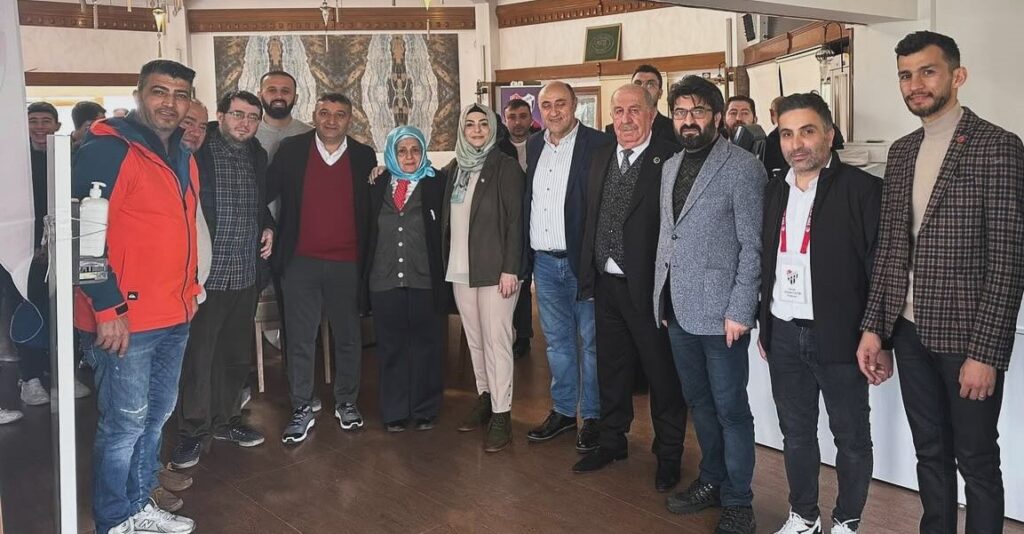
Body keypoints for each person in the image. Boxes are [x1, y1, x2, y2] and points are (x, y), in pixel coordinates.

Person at [857, 31, 1024, 534]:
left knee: (976, 459)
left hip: (967, 339)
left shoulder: (999, 146)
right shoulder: (902, 151)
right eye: (905, 75)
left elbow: (1009, 260)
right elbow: (891, 250)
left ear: (957, 75)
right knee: (929, 452)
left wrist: (986, 354)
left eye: (927, 72)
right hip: (909, 334)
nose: (915, 85)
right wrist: (875, 329)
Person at [74, 59, 200, 534]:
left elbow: (181, 230)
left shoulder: (181, 153)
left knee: (155, 419)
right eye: (159, 91)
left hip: (174, 313)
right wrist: (107, 308)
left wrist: (190, 290)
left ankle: (139, 503)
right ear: (138, 95)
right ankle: (113, 519)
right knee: (125, 423)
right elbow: (83, 237)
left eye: (180, 94)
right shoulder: (108, 149)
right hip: (125, 318)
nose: (170, 102)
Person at [758, 93, 881, 534]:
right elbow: (767, 261)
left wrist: (876, 333)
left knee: (851, 437)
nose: (796, 144)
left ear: (829, 134)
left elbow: (879, 268)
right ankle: (804, 516)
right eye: (787, 134)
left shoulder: (862, 190)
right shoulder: (774, 189)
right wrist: (766, 326)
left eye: (807, 131)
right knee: (796, 434)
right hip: (784, 332)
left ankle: (847, 520)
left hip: (841, 335)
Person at [654, 75, 764, 534]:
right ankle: (712, 480)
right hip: (678, 308)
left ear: (717, 117)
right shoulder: (670, 166)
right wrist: (661, 296)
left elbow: (753, 246)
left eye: (697, 111)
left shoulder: (743, 167)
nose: (688, 120)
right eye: (680, 112)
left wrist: (741, 309)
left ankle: (739, 500)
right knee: (698, 402)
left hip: (723, 316)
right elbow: (670, 235)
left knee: (731, 410)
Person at [573, 84, 686, 495]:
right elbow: (591, 217)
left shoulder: (670, 159)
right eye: (618, 111)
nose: (625, 119)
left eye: (634, 110)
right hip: (606, 284)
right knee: (612, 367)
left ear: (652, 114)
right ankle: (612, 441)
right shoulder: (601, 155)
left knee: (662, 375)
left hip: (650, 289)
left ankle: (669, 454)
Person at [170, 91, 274, 470]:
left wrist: (268, 225)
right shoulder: (198, 148)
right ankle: (192, 431)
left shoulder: (257, 154)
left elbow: (257, 203)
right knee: (199, 357)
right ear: (221, 115)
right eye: (237, 114)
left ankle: (227, 420)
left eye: (252, 117)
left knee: (234, 356)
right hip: (205, 275)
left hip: (245, 272)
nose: (245, 123)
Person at [267, 93, 377, 444]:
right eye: (324, 113)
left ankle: (347, 401)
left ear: (350, 120)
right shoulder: (291, 151)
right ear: (314, 115)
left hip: (347, 263)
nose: (331, 120)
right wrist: (267, 226)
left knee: (348, 337)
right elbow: (263, 192)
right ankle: (301, 406)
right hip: (300, 261)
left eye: (339, 114)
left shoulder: (363, 156)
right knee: (300, 338)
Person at [522, 82, 611, 453]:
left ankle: (592, 416)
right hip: (544, 263)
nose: (554, 111)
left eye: (561, 103)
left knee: (591, 344)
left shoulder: (599, 144)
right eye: (547, 105)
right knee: (557, 344)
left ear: (575, 106)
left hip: (582, 262)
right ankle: (562, 411)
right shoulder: (534, 145)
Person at [443, 103, 524, 453]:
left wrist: (511, 268)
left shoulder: (505, 167)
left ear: (493, 129)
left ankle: (502, 414)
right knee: (475, 339)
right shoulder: (456, 168)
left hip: (496, 271)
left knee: (497, 341)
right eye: (470, 124)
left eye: (483, 124)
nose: (476, 130)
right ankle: (486, 397)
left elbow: (516, 221)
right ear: (462, 130)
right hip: (461, 269)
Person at [367, 126, 449, 432]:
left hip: (425, 279)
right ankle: (395, 410)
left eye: (415, 150)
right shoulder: (377, 183)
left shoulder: (437, 182)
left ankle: (425, 408)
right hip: (384, 279)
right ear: (391, 154)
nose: (409, 157)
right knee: (391, 347)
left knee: (427, 346)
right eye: (401, 151)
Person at [499, 99, 538, 360]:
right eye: (512, 117)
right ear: (505, 119)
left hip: (540, 221)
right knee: (519, 280)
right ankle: (522, 335)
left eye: (523, 116)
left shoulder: (542, 142)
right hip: (512, 223)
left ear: (531, 118)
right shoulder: (497, 147)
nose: (518, 122)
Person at [605, 64, 678, 148]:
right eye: (638, 84)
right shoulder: (612, 131)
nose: (643, 88)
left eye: (650, 84)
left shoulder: (673, 129)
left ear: (660, 93)